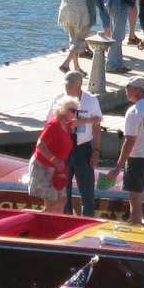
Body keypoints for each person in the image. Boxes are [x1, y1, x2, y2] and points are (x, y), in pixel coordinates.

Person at [107, 77, 144, 225]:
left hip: (139, 157)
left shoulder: (134, 112)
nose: (125, 90)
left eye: (128, 87)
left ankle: (136, 228)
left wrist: (118, 167)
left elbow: (129, 141)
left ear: (136, 90)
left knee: (135, 199)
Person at [55, 72, 102, 216]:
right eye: (66, 86)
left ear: (79, 85)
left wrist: (96, 150)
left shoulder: (91, 100)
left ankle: (87, 221)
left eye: (71, 87)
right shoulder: (59, 99)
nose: (68, 89)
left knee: (87, 192)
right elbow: (54, 124)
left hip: (83, 148)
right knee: (64, 191)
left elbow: (97, 125)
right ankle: (65, 220)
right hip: (63, 149)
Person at [29, 98, 79, 214]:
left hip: (57, 168)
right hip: (44, 166)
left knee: (62, 200)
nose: (74, 113)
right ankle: (42, 224)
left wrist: (91, 120)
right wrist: (54, 159)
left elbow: (76, 122)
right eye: (72, 110)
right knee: (51, 201)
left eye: (76, 111)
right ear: (63, 110)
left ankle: (57, 223)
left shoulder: (66, 124)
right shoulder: (53, 125)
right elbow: (40, 144)